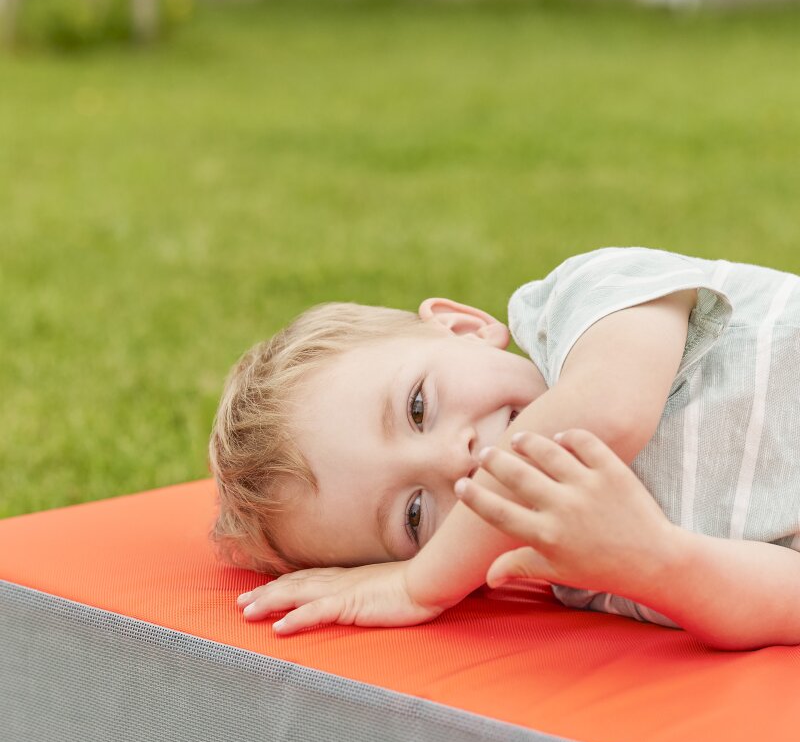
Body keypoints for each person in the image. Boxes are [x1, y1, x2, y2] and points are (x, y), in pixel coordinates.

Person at [209, 247, 800, 650]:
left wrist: (423, 582)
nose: (455, 460)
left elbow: (610, 414)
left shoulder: (583, 303)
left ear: (463, 328)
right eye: (415, 515)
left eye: (417, 407)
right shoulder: (585, 574)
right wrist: (661, 563)